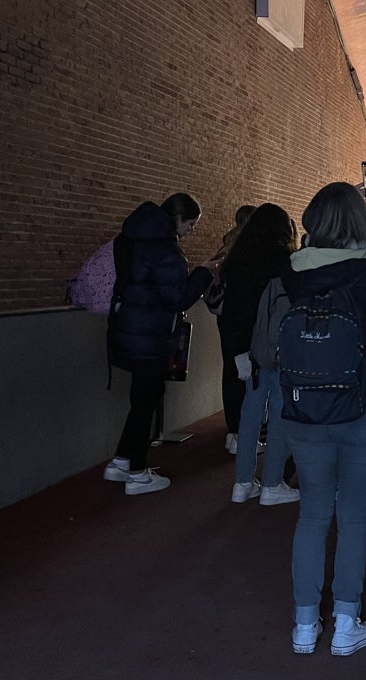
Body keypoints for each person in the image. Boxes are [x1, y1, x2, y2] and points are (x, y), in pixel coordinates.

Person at [250, 181, 366, 656]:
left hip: (302, 407)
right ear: (362, 225)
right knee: (355, 516)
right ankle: (345, 623)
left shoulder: (292, 273)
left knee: (313, 514)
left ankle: (304, 626)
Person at [103, 193, 216, 495]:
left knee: (141, 398)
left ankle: (122, 461)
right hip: (151, 337)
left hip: (128, 331)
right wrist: (204, 272)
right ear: (177, 219)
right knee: (147, 401)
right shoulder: (165, 252)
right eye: (191, 224)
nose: (191, 231)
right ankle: (137, 472)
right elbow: (178, 298)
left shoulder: (131, 240)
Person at [217, 203, 299, 506]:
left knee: (250, 412)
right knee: (279, 412)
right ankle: (272, 482)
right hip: (277, 348)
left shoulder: (237, 260)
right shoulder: (286, 261)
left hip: (244, 349)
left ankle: (242, 482)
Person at [210, 204, 256, 455]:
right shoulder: (250, 250)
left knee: (230, 371)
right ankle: (243, 432)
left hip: (226, 318)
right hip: (246, 318)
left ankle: (233, 430)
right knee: (248, 373)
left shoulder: (226, 245)